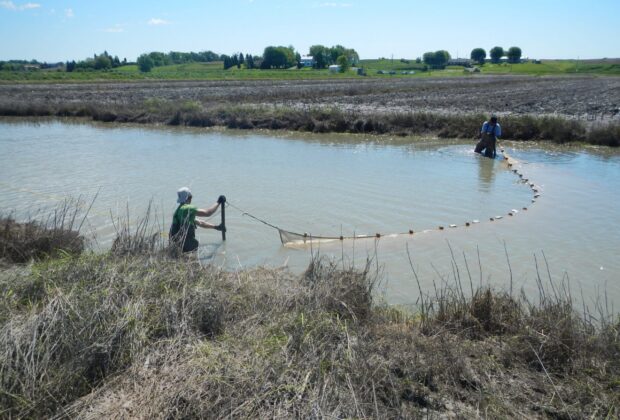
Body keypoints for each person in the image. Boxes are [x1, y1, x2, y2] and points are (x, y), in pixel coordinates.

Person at [169, 187, 226, 253]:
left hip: (176, 245)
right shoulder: (187, 208)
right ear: (188, 197)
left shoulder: (179, 210)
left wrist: (216, 227)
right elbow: (207, 213)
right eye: (191, 197)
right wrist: (218, 201)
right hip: (185, 245)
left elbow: (200, 223)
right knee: (194, 247)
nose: (191, 198)